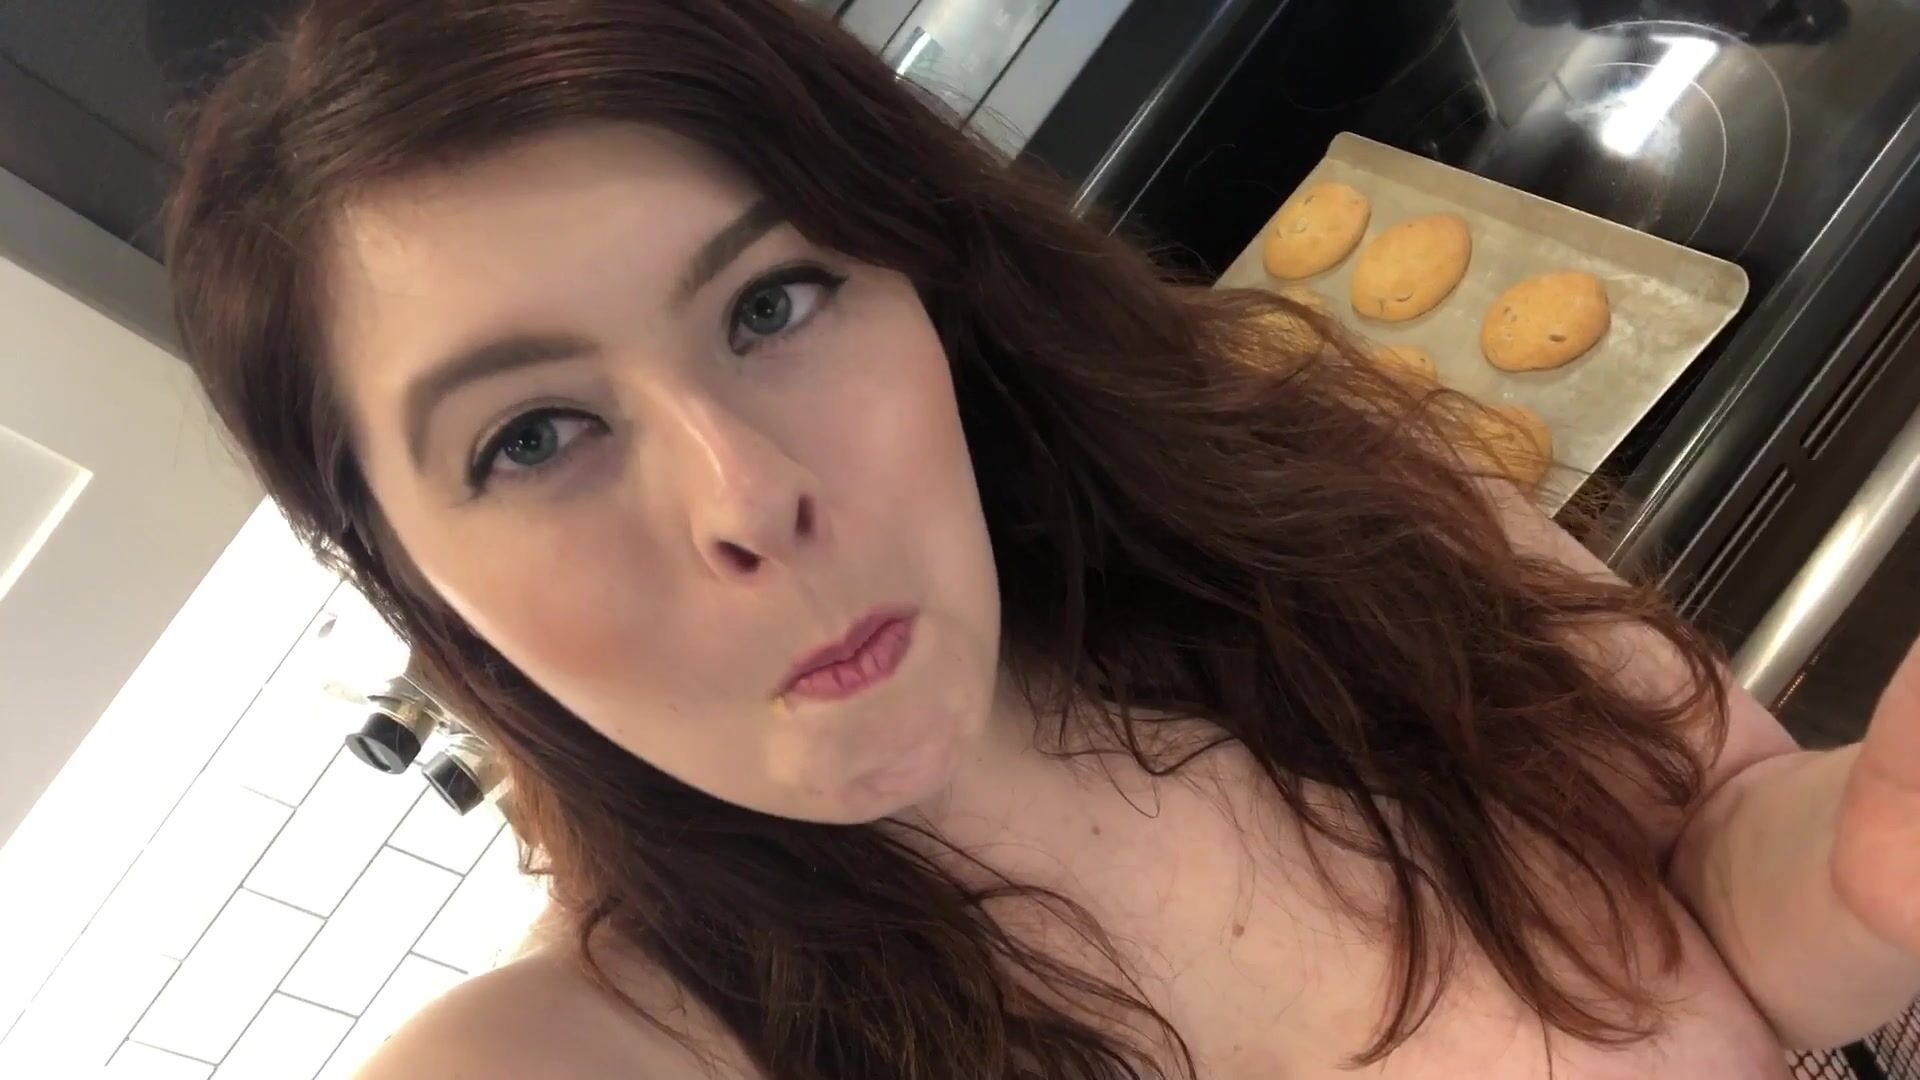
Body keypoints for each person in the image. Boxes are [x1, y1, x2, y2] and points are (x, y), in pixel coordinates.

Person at [163, 2, 1920, 1077]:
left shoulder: (1310, 504)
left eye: (774, 303)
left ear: (922, 285)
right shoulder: (597, 1049)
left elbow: (1705, 879)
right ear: (409, 578)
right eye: (534, 436)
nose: (744, 495)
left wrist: (1863, 863)